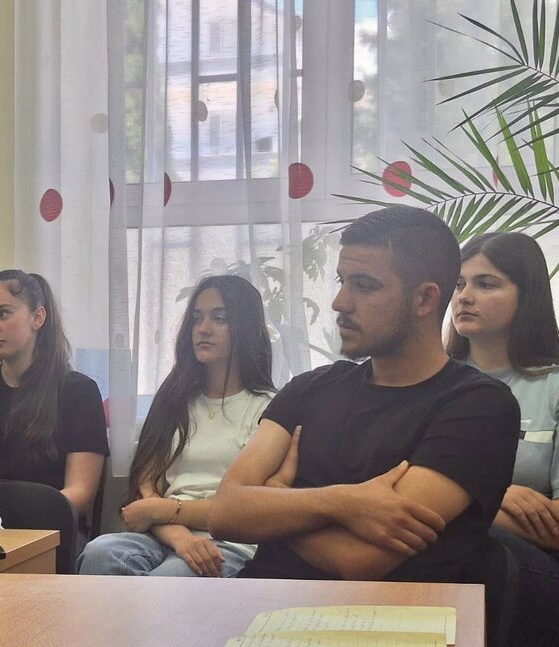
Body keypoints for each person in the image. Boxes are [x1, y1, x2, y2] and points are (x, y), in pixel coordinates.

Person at [212, 206, 520, 583]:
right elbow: (224, 513)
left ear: (424, 300)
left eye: (364, 285)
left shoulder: (479, 406)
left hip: (381, 615)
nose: (339, 302)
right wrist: (342, 502)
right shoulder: (310, 388)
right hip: (259, 599)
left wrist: (276, 497)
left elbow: (359, 561)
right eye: (341, 281)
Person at [78, 275, 273, 577]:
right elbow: (146, 491)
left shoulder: (267, 408)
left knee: (167, 581)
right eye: (196, 318)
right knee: (99, 552)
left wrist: (167, 514)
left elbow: (250, 508)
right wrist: (181, 538)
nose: (203, 329)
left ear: (246, 328)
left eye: (219, 318)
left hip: (229, 542)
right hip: (165, 534)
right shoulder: (174, 399)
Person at [447, 231, 559, 647]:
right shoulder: (432, 383)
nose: (464, 296)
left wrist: (467, 506)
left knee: (468, 540)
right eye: (459, 284)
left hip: (538, 575)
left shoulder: (553, 386)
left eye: (486, 283)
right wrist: (493, 496)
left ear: (526, 296)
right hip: (447, 560)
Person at [0, 270, 108, 526]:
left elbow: (80, 494)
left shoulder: (79, 392)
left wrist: (20, 520)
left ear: (38, 317)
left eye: (3, 314)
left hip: (51, 530)